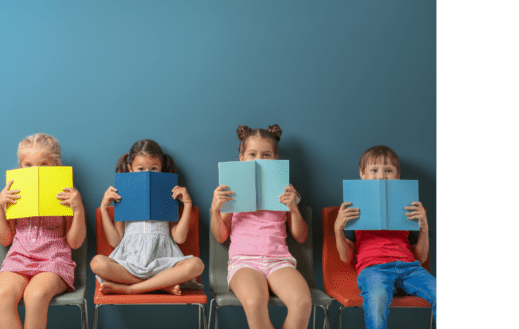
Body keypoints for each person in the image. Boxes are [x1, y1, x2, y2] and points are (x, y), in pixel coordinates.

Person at [211, 125, 311, 329]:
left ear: (276, 159)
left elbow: (301, 237)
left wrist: (293, 208)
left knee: (302, 302)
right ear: (241, 158)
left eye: (266, 155)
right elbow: (221, 236)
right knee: (255, 302)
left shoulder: (287, 190)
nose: (259, 159)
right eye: (252, 154)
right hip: (244, 262)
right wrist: (215, 210)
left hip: (279, 261)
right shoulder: (231, 190)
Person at [334, 145, 437, 329]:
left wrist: (424, 226)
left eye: (388, 170)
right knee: (377, 300)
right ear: (362, 174)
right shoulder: (353, 207)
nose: (381, 176)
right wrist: (338, 228)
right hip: (374, 269)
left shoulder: (408, 206)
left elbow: (420, 258)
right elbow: (345, 257)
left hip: (409, 268)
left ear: (397, 176)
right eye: (374, 170)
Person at [0, 133, 86, 329]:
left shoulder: (66, 195)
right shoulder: (14, 193)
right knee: (1, 293)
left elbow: (75, 242)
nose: (36, 170)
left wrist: (77, 210)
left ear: (56, 167)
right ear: (20, 168)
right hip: (18, 260)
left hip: (54, 262)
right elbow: (5, 239)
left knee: (34, 295)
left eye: (44, 165)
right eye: (28, 165)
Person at [90, 139, 204, 295]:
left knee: (196, 265)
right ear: (130, 169)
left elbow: (179, 238)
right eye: (141, 169)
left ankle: (131, 289)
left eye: (154, 168)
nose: (147, 173)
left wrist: (188, 204)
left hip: (163, 260)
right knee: (97, 263)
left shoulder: (168, 193)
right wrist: (104, 208)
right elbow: (115, 241)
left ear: (161, 168)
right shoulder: (122, 195)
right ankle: (162, 285)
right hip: (130, 260)